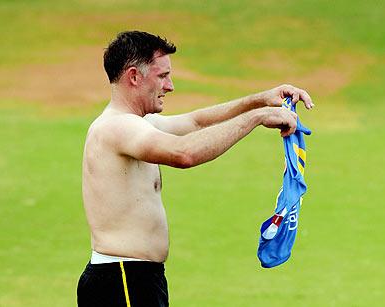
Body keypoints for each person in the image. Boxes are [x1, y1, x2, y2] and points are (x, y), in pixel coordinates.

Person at [77, 30, 314, 307]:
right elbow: (184, 153)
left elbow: (196, 123)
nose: (170, 86)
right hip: (123, 280)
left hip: (133, 278)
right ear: (134, 76)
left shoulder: (135, 125)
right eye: (162, 76)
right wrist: (259, 117)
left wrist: (261, 99)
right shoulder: (117, 127)